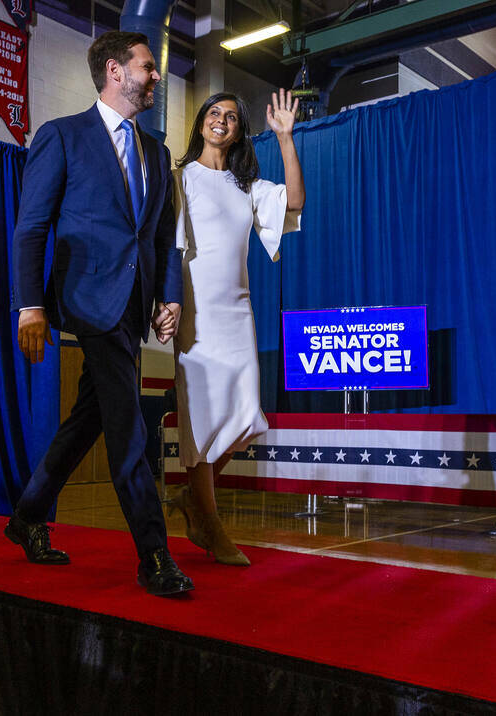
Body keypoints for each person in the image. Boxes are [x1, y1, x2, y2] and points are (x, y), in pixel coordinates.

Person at [7, 31, 193, 596]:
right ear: (115, 71)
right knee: (127, 425)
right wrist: (30, 305)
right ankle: (153, 554)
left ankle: (28, 515)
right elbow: (32, 226)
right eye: (146, 67)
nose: (155, 76)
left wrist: (170, 299)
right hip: (88, 302)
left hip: (132, 309)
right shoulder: (62, 136)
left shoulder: (158, 153)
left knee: (92, 413)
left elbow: (162, 238)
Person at [163, 89, 305, 564]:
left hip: (238, 312)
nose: (220, 120)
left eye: (230, 116)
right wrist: (168, 304)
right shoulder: (180, 179)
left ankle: (191, 498)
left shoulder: (247, 186)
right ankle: (211, 527)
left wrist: (286, 137)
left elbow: (294, 203)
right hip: (195, 316)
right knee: (202, 423)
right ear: (201, 122)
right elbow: (171, 251)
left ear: (241, 130)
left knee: (246, 416)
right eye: (213, 113)